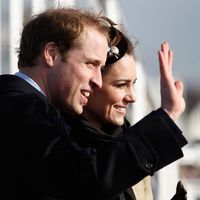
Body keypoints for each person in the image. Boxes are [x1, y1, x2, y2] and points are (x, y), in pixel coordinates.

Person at [0, 7, 187, 200]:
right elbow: (83, 180)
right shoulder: (22, 107)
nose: (97, 81)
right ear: (51, 54)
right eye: (90, 64)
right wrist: (166, 116)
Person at [62, 21, 187, 200]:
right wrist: (168, 114)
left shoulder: (127, 139)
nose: (132, 97)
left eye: (133, 84)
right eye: (121, 85)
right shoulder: (64, 145)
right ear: (92, 82)